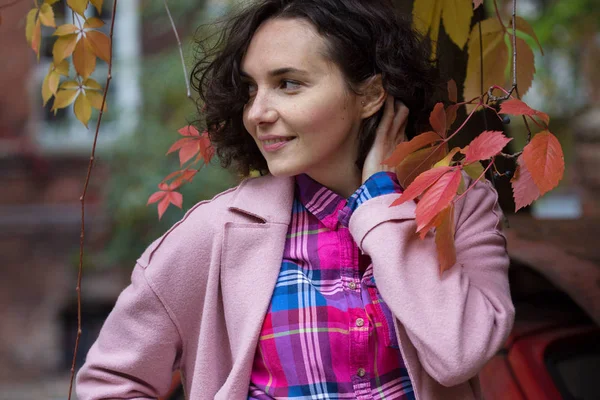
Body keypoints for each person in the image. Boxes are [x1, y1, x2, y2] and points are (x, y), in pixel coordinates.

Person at [76, 0, 515, 399]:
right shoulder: (217, 232)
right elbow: (110, 384)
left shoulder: (458, 207)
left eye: (287, 84)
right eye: (251, 89)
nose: (257, 112)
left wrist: (381, 205)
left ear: (369, 95)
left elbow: (459, 355)